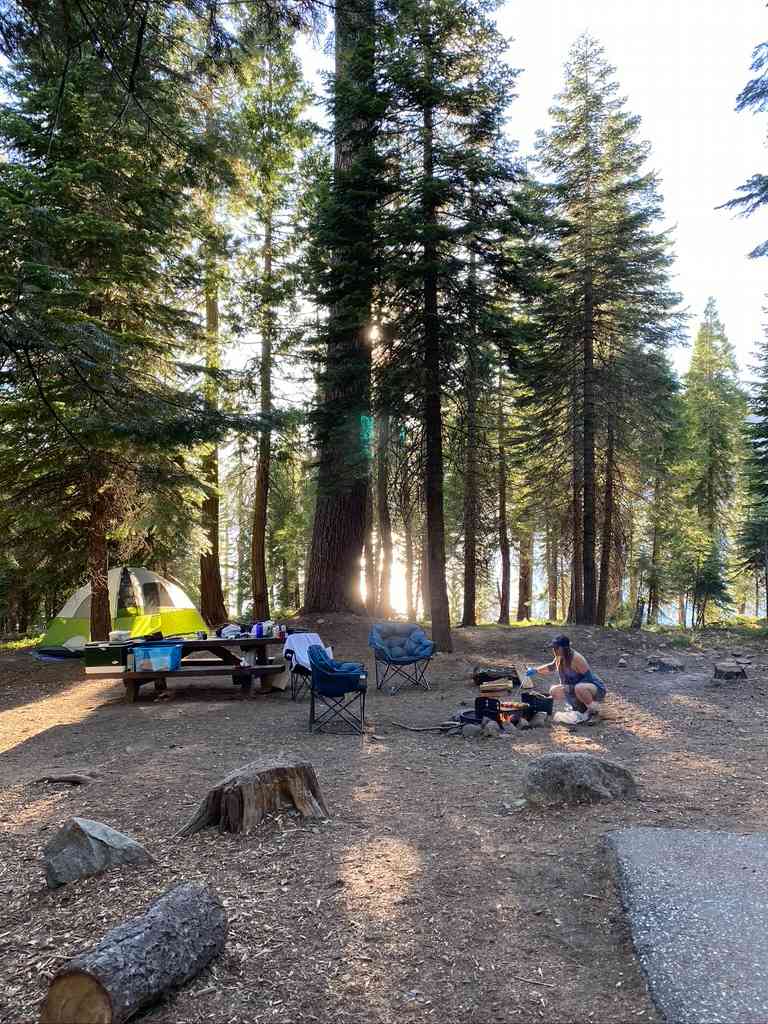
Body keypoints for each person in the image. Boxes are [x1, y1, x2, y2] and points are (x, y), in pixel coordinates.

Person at [526, 635, 607, 725]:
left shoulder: (576, 659)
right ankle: (581, 708)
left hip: (595, 688)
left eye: (555, 648)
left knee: (579, 688)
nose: (553, 650)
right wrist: (535, 670)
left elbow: (589, 678)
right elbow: (551, 667)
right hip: (577, 688)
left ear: (561, 648)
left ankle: (596, 712)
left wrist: (570, 688)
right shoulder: (560, 656)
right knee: (554, 691)